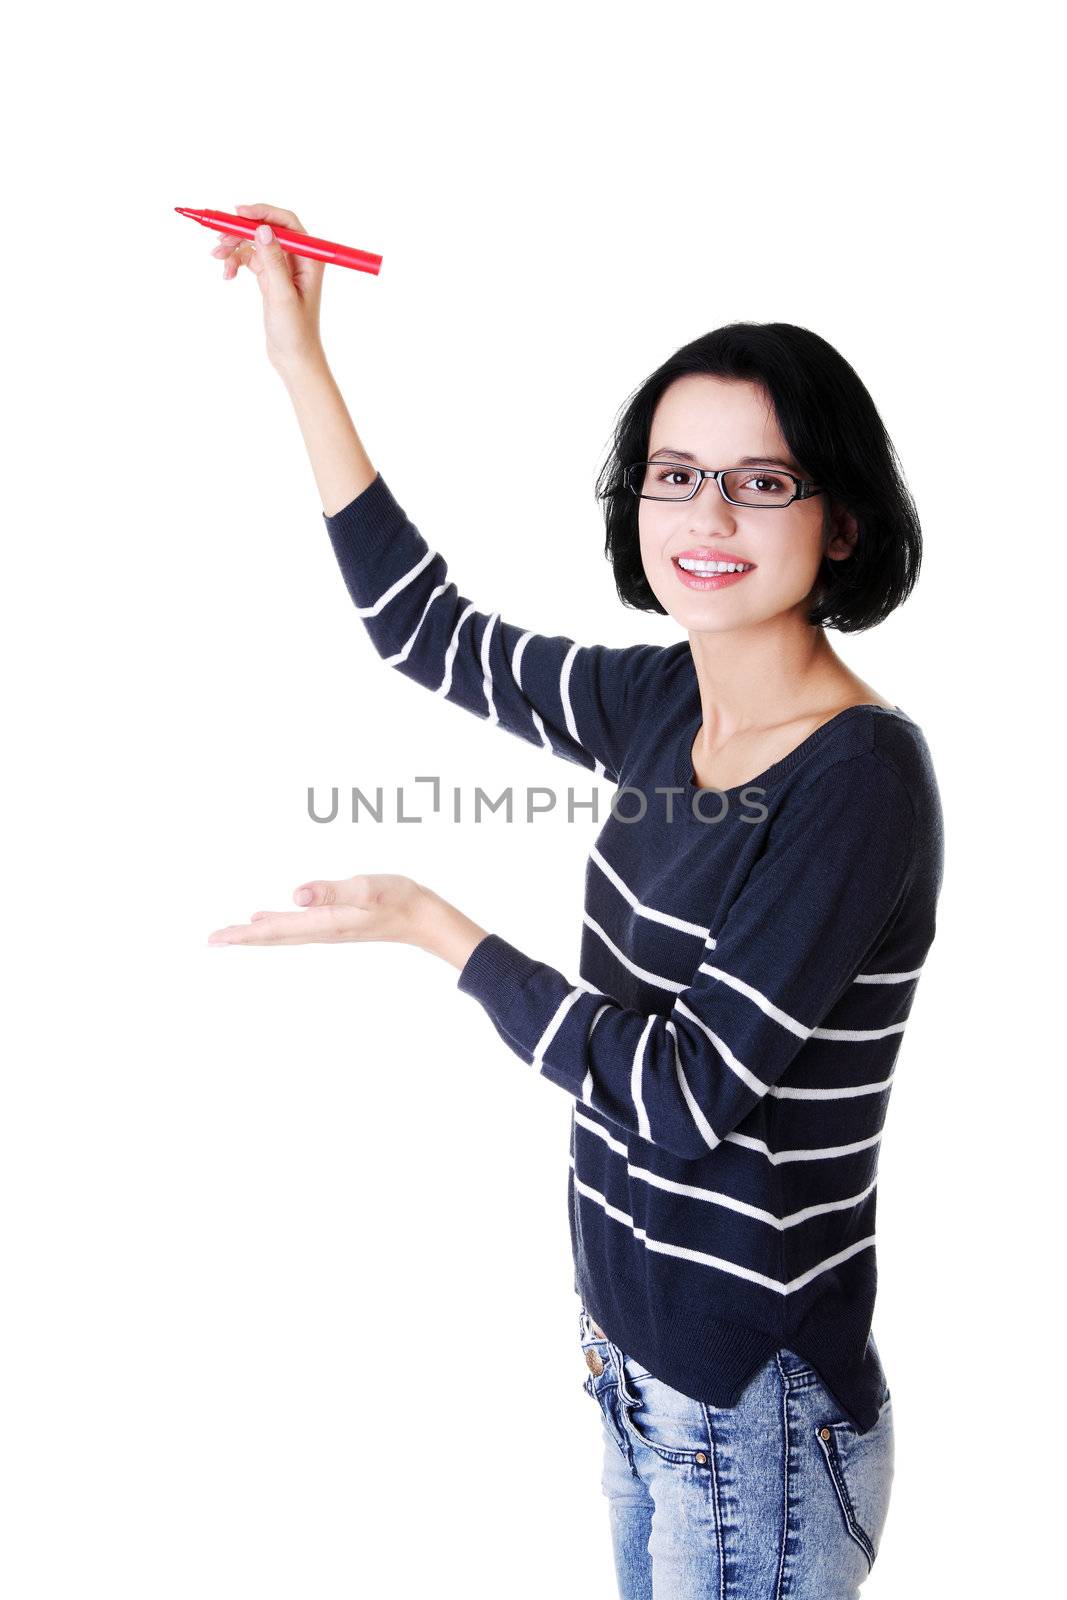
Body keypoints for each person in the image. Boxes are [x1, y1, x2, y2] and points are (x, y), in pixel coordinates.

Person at [204, 203, 945, 1599]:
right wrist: (300, 358)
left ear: (841, 520)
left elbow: (678, 1097)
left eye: (759, 483)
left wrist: (436, 928)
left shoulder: (860, 784)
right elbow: (425, 634)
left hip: (752, 1413)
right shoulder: (661, 700)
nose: (706, 517)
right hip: (632, 1359)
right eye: (674, 475)